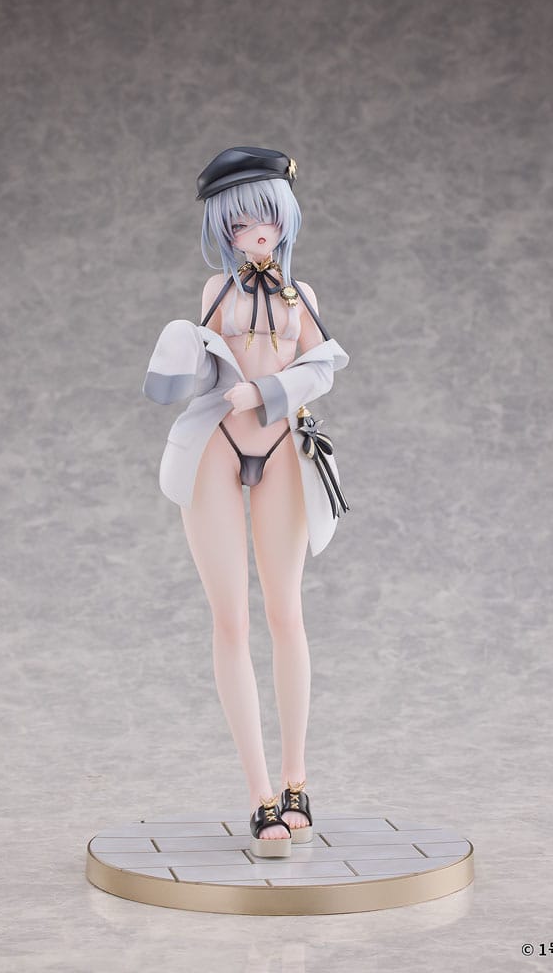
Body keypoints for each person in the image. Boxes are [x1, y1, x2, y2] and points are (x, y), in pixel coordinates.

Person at [143, 147, 349, 857]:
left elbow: (326, 364)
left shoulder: (300, 295)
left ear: (284, 219)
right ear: (221, 228)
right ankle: (260, 796)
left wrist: (264, 391)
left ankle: (296, 782)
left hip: (282, 446)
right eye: (237, 223)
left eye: (264, 219)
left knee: (286, 614)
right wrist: (182, 353)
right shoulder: (215, 291)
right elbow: (191, 370)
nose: (253, 233)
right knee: (230, 619)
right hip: (215, 448)